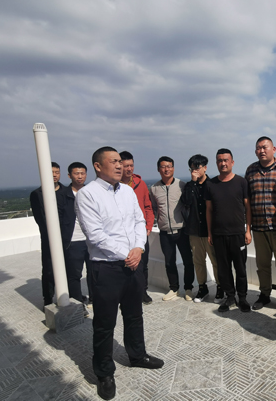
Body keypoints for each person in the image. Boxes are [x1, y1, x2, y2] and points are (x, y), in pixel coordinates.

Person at [75, 146, 163, 400]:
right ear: (98, 166)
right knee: (105, 323)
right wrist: (128, 253)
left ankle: (137, 355)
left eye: (120, 161)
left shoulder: (126, 191)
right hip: (106, 268)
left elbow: (139, 221)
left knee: (134, 315)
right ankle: (104, 372)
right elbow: (96, 235)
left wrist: (138, 248)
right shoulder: (88, 195)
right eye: (113, 161)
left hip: (132, 264)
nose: (119, 165)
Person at [245, 137, 276, 313]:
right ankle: (264, 294)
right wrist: (248, 228)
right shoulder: (251, 170)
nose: (261, 151)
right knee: (262, 265)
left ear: (273, 149)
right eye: (258, 148)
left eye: (265, 147)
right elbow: (247, 199)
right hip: (259, 228)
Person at [206, 149, 252, 312]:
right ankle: (230, 297)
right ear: (216, 163)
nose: (223, 163)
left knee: (240, 268)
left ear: (232, 162)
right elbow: (209, 210)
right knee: (224, 269)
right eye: (220, 160)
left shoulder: (241, 182)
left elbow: (248, 208)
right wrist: (210, 233)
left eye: (226, 160)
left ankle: (243, 298)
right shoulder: (211, 184)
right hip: (219, 234)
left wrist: (248, 230)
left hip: (238, 234)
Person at [150, 156, 194, 301]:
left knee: (188, 261)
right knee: (169, 262)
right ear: (158, 169)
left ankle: (188, 288)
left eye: (169, 166)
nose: (166, 169)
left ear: (173, 168)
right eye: (163, 166)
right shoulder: (154, 188)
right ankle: (174, 289)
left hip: (182, 230)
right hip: (164, 232)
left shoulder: (182, 185)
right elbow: (154, 208)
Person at [181, 154, 222, 303]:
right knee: (198, 261)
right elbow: (186, 201)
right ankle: (202, 288)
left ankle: (220, 287)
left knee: (216, 261)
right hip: (194, 231)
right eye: (192, 168)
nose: (195, 171)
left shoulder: (212, 185)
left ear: (205, 168)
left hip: (210, 230)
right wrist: (193, 183)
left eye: (197, 167)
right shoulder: (189, 186)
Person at [120, 151, 155, 305]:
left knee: (142, 264)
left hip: (140, 232)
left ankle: (142, 291)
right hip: (122, 233)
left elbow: (148, 206)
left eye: (131, 165)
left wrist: (148, 226)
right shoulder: (114, 185)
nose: (129, 169)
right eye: (126, 166)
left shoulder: (140, 184)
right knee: (124, 263)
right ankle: (125, 293)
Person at [57, 162, 92, 309]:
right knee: (74, 275)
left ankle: (95, 299)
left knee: (94, 272)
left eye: (82, 173)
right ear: (69, 175)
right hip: (73, 240)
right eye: (76, 173)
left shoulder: (91, 192)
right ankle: (77, 304)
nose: (80, 176)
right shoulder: (62, 195)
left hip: (91, 239)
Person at [30, 161, 65, 307]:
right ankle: (48, 298)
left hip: (67, 237)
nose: (54, 175)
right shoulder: (37, 194)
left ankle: (69, 295)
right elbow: (40, 219)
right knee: (49, 270)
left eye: (57, 172)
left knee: (68, 269)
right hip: (49, 238)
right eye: (51, 173)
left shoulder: (66, 192)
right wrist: (53, 236)